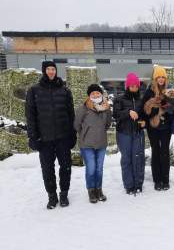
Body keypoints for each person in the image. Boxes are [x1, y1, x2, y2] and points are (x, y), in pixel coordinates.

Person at [25, 60, 76, 209]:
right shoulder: (34, 90)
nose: (51, 72)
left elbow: (71, 114)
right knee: (47, 169)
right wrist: (33, 136)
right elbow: (30, 116)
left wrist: (72, 134)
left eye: (53, 69)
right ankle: (52, 196)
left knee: (66, 167)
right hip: (44, 139)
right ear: (44, 71)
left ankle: (64, 194)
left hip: (63, 137)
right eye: (48, 69)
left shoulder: (65, 90)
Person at [74, 84, 112, 203]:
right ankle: (91, 190)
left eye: (97, 93)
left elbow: (108, 124)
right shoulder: (83, 108)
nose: (95, 95)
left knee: (99, 169)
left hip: (101, 142)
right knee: (91, 168)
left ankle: (98, 189)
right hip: (87, 144)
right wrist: (85, 133)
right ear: (89, 96)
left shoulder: (106, 108)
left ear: (101, 94)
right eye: (93, 93)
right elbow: (76, 125)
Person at [142, 65, 174, 191]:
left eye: (163, 77)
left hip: (166, 127)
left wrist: (168, 107)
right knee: (156, 152)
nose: (161, 79)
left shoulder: (169, 91)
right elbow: (144, 111)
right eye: (159, 77)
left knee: (165, 153)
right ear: (155, 79)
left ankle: (165, 179)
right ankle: (157, 180)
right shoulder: (149, 92)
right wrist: (156, 109)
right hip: (153, 127)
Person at [113, 72, 146, 195]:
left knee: (138, 158)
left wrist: (144, 122)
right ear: (127, 86)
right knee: (126, 159)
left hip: (138, 133)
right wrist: (128, 112)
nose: (134, 88)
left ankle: (138, 183)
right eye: (131, 86)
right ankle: (129, 185)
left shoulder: (141, 100)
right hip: (124, 133)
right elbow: (115, 115)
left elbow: (144, 115)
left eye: (136, 86)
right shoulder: (119, 99)